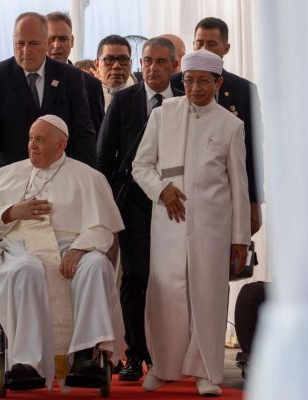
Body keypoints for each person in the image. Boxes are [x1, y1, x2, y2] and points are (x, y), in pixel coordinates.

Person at [132, 49, 250, 396]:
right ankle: (163, 366)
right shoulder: (163, 114)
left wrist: (239, 238)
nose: (195, 87)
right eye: (189, 80)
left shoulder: (231, 125)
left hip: (212, 228)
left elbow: (239, 186)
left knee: (208, 295)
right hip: (167, 223)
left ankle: (207, 373)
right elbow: (141, 166)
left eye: (203, 81)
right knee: (165, 294)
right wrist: (162, 190)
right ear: (180, 81)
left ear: (218, 83)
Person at [0, 114, 124, 390]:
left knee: (96, 266)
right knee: (27, 268)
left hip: (72, 247)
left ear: (61, 145)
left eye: (40, 140)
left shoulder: (89, 177)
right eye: (31, 138)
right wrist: (12, 212)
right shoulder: (8, 174)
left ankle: (84, 356)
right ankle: (27, 363)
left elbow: (105, 229)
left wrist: (80, 248)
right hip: (21, 248)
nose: (32, 145)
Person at [97, 37, 183, 382]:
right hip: (132, 204)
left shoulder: (185, 100)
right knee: (134, 276)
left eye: (161, 62)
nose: (152, 68)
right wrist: (105, 209)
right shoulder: (124, 102)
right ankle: (135, 354)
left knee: (170, 280)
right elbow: (104, 159)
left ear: (174, 66)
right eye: (147, 61)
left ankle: (169, 353)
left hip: (177, 204)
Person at [0, 12, 95, 190]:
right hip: (11, 184)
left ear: (46, 43)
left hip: (62, 183)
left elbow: (83, 135)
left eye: (33, 43)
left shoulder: (70, 77)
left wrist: (83, 184)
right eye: (20, 43)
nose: (25, 50)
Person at [171, 17, 263, 234]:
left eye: (211, 44)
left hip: (225, 192)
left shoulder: (244, 89)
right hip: (179, 193)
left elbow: (252, 149)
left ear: (226, 48)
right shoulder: (175, 83)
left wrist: (253, 200)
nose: (204, 49)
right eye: (199, 43)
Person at [46, 11, 105, 133]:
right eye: (51, 39)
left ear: (72, 41)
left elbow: (96, 134)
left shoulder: (91, 85)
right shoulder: (29, 79)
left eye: (63, 39)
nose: (56, 45)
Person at [94, 35, 134, 111]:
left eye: (123, 59)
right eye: (109, 59)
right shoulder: (87, 96)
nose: (116, 66)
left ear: (131, 63)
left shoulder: (142, 96)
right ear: (97, 64)